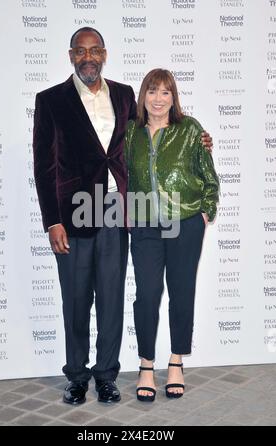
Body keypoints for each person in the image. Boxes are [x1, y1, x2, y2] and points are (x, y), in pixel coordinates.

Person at [33, 28, 214, 405]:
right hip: (75, 211)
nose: (89, 57)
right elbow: (43, 165)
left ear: (104, 54)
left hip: (117, 208)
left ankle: (107, 375)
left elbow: (155, 135)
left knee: (113, 297)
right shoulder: (50, 100)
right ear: (71, 56)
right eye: (81, 51)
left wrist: (201, 141)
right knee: (76, 299)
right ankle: (77, 376)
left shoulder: (122, 94)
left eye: (95, 50)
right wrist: (52, 220)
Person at [125, 69, 219, 402]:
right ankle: (146, 365)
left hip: (185, 221)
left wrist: (206, 210)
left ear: (173, 97)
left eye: (166, 92)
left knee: (182, 292)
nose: (159, 99)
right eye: (152, 91)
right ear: (143, 96)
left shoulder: (191, 130)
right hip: (145, 224)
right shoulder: (131, 133)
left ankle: (176, 360)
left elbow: (210, 177)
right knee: (147, 294)